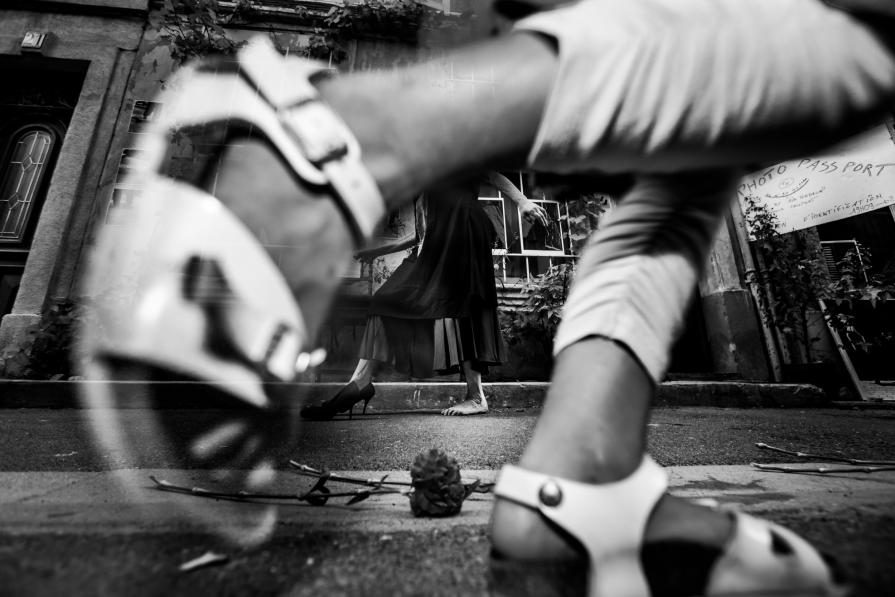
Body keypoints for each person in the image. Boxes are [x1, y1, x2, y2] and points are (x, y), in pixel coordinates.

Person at [83, 0, 895, 595]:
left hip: (463, 206)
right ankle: (366, 128)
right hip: (457, 183)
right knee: (855, 44)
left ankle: (583, 467)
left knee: (694, 153)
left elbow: (495, 174)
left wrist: (513, 199)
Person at [300, 172, 549, 420]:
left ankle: (476, 396)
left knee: (462, 305)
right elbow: (421, 234)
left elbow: (491, 173)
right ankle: (361, 381)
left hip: (464, 230)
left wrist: (522, 201)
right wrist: (375, 251)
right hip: (436, 247)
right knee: (385, 300)